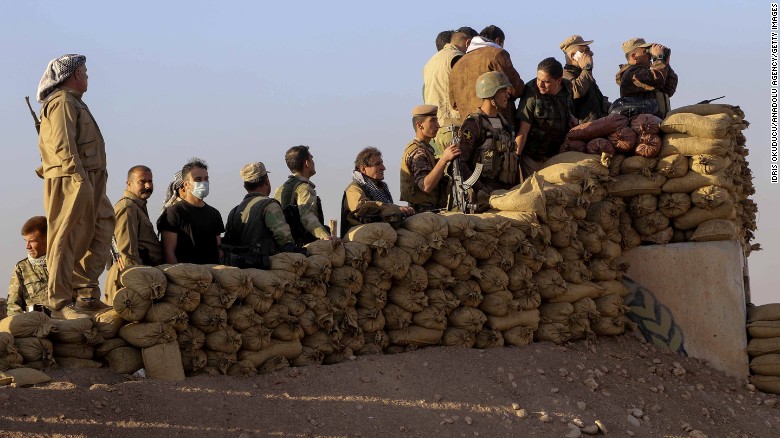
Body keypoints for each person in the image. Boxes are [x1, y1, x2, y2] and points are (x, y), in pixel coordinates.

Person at [36, 54, 114, 318]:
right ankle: (59, 302)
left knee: (103, 224)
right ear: (76, 74)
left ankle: (85, 293)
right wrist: (77, 176)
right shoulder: (61, 102)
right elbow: (61, 143)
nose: (88, 76)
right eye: (85, 71)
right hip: (73, 178)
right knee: (65, 237)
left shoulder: (74, 102)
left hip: (91, 178)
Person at [458, 72, 519, 211]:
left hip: (505, 192)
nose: (507, 95)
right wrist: (482, 189)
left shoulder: (503, 122)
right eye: (503, 91)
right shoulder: (474, 125)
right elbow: (461, 163)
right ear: (491, 95)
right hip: (483, 197)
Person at [104, 165, 164, 304]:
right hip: (131, 282)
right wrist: (137, 284)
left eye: (150, 181)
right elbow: (127, 252)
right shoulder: (127, 207)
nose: (148, 185)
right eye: (142, 181)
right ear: (129, 183)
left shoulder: (138, 207)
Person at [222, 162, 296, 268]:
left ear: (245, 186)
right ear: (267, 181)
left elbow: (229, 241)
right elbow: (285, 240)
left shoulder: (234, 211)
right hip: (267, 268)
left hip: (241, 270)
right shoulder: (269, 205)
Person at [515, 57, 577, 177]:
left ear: (558, 81)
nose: (540, 85)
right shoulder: (532, 92)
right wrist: (515, 158)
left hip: (557, 155)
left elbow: (568, 111)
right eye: (538, 79)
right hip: (533, 157)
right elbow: (523, 131)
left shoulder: (567, 89)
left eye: (546, 82)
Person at [449, 25, 524, 124]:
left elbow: (453, 104)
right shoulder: (497, 54)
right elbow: (516, 88)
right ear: (498, 41)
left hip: (469, 125)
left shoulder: (458, 64)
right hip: (496, 123)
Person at [158, 158, 224, 264]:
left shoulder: (214, 214)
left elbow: (219, 249)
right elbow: (168, 252)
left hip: (212, 275)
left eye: (206, 179)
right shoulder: (174, 212)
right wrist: (181, 276)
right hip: (187, 275)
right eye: (198, 179)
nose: (203, 183)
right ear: (186, 184)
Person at [400, 105, 461, 213]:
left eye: (436, 120)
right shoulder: (417, 152)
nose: (437, 125)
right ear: (420, 125)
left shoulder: (426, 149)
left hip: (432, 211)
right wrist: (444, 159)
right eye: (432, 121)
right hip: (422, 214)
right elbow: (425, 186)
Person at [342, 147, 415, 236]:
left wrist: (401, 209)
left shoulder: (382, 187)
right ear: (363, 169)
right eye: (377, 164)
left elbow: (387, 208)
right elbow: (361, 208)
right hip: (362, 232)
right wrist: (392, 208)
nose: (383, 168)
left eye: (382, 164)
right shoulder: (354, 188)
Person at [423, 29, 473, 157]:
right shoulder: (457, 57)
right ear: (468, 43)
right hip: (455, 127)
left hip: (437, 128)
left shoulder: (430, 62)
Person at [275, 146, 336, 246]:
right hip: (301, 244)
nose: (313, 162)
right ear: (307, 163)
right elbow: (307, 217)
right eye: (311, 158)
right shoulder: (304, 187)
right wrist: (324, 236)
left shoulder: (280, 188)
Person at [615, 38, 678, 117]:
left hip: (654, 120)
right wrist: (659, 58)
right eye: (646, 52)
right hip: (641, 124)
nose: (650, 56)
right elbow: (656, 79)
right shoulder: (631, 73)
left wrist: (665, 64)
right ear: (634, 56)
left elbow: (668, 89)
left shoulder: (645, 73)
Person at [7, 217, 49, 316]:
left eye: (32, 241)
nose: (27, 246)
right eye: (26, 241)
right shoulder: (21, 268)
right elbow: (13, 306)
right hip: (35, 325)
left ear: (47, 239)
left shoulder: (64, 263)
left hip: (65, 321)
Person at [560, 35, 608, 123]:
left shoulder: (584, 73)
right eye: (586, 50)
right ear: (574, 56)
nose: (591, 53)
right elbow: (576, 91)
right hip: (582, 130)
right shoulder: (564, 75)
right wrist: (587, 68)